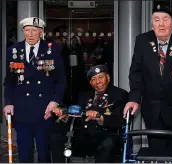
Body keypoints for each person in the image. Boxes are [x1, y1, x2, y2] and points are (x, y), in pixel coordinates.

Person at [123, 5, 172, 156]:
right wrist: (134, 99)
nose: (161, 24)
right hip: (152, 109)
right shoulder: (142, 41)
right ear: (152, 24)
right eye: (156, 20)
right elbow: (136, 74)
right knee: (157, 153)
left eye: (165, 19)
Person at [2, 17, 66, 162]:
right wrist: (8, 103)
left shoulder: (52, 49)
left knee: (44, 153)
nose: (30, 34)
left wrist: (55, 101)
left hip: (45, 109)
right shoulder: (13, 50)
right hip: (22, 108)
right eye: (27, 30)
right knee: (25, 153)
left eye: (34, 31)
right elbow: (9, 81)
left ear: (41, 32)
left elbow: (61, 80)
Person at [50, 65, 128, 162]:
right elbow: (76, 116)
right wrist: (64, 115)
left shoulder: (119, 94)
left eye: (101, 77)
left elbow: (118, 120)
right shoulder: (84, 96)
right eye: (94, 79)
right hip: (84, 135)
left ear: (107, 77)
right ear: (91, 83)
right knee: (57, 136)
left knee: (109, 143)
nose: (98, 82)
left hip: (106, 134)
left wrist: (100, 117)